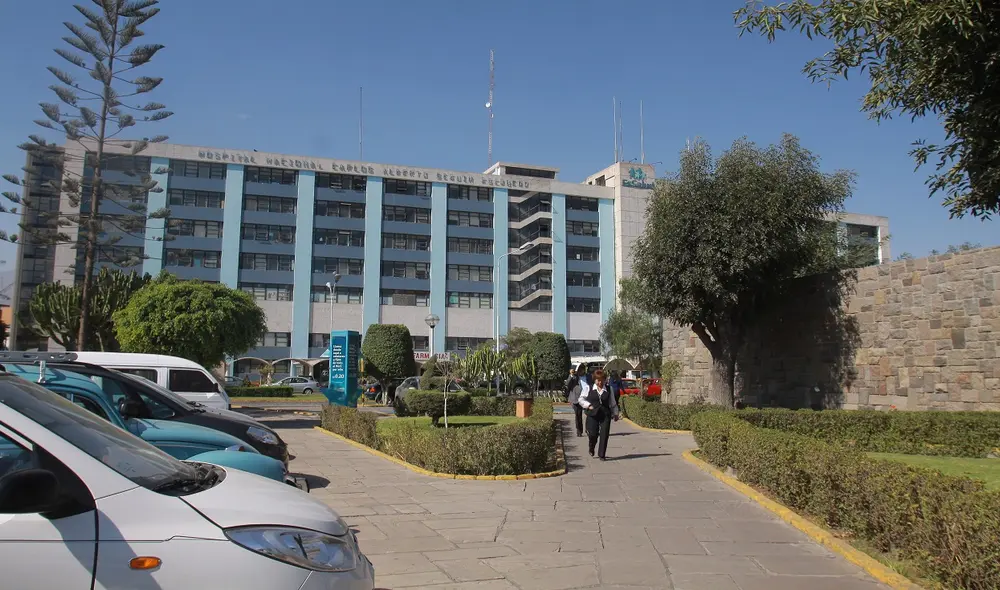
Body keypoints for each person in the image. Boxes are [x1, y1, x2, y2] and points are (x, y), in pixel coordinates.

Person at [578, 369, 620, 460]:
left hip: (605, 414)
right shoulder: (588, 388)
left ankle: (602, 454)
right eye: (598, 380)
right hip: (592, 414)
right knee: (593, 434)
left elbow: (613, 403)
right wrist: (588, 405)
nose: (600, 382)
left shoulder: (609, 389)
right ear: (594, 380)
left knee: (604, 434)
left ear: (605, 380)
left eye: (601, 380)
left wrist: (616, 414)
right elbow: (581, 399)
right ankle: (591, 447)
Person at [564, 363, 588, 437]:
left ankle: (588, 429)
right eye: (579, 369)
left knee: (589, 415)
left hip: (586, 398)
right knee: (578, 415)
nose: (581, 371)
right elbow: (567, 384)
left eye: (582, 369)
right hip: (576, 398)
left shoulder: (588, 376)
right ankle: (579, 431)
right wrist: (571, 375)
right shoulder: (574, 377)